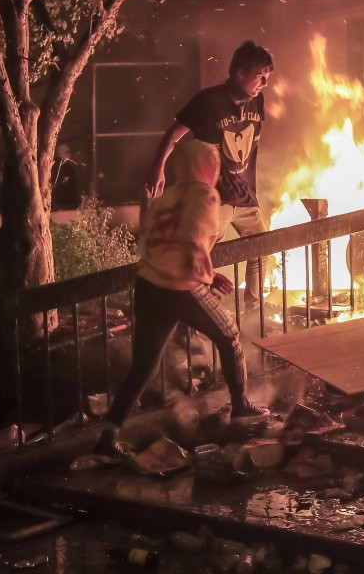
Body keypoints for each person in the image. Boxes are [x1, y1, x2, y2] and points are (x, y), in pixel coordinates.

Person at [96, 140, 265, 457]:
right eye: (213, 162)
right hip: (182, 284)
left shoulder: (164, 198)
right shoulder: (204, 194)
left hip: (149, 285)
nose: (217, 169)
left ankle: (107, 436)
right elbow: (191, 237)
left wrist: (203, 269)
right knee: (229, 336)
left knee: (143, 365)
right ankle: (241, 407)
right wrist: (203, 272)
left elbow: (149, 237)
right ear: (202, 167)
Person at [145, 41, 275, 321]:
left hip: (245, 196)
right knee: (199, 254)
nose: (264, 82)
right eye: (259, 75)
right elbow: (174, 133)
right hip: (214, 197)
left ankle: (252, 310)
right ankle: (193, 315)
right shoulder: (208, 102)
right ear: (240, 73)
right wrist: (159, 167)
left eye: (268, 76)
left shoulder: (257, 100)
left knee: (263, 250)